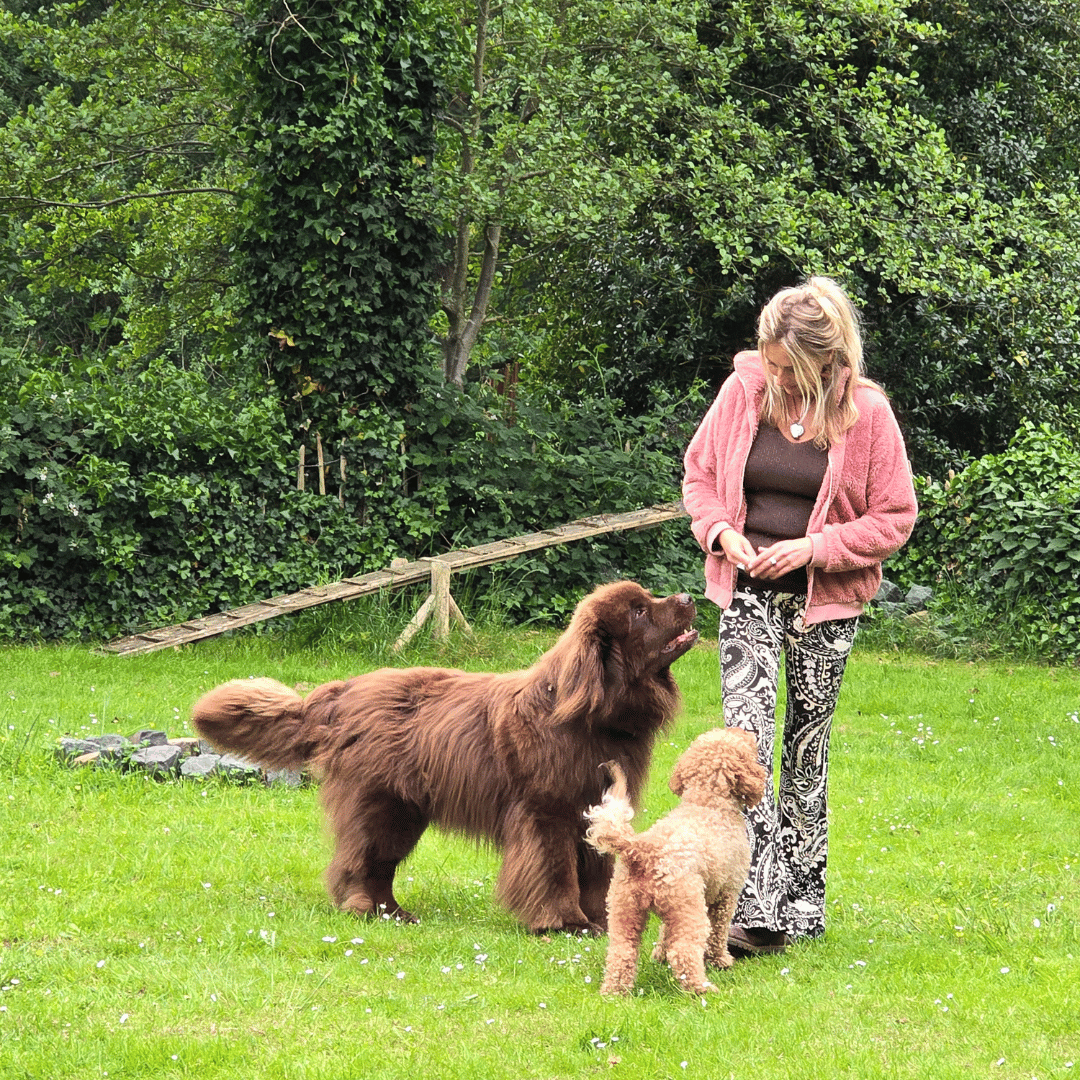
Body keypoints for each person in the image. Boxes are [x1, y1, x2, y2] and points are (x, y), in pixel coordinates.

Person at [682, 276, 917, 956]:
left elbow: (894, 516)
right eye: (771, 362)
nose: (776, 377)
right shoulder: (743, 390)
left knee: (805, 754)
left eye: (790, 369)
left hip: (826, 602)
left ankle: (802, 906)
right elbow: (699, 474)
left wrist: (815, 548)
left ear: (826, 361)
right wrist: (720, 531)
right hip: (748, 589)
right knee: (744, 746)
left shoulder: (866, 414)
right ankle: (750, 913)